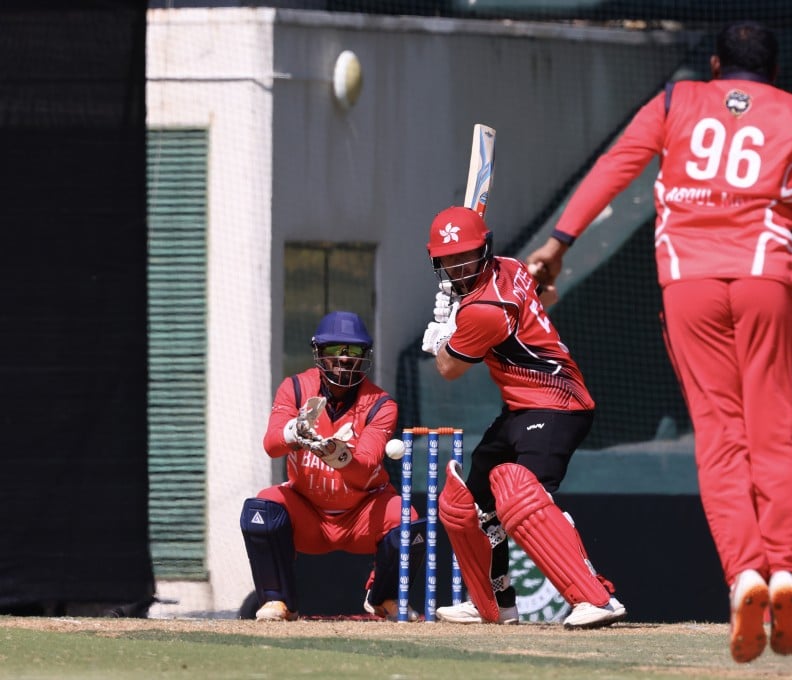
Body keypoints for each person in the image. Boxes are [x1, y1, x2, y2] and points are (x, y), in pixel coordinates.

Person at [526, 20, 792, 661]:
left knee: (719, 435)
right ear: (772, 72)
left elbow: (615, 168)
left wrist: (558, 244)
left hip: (688, 282)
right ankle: (786, 575)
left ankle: (745, 574)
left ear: (715, 64)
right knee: (773, 432)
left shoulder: (676, 101)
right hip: (766, 280)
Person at [420, 205, 626, 630]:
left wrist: (444, 334)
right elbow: (543, 294)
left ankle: (596, 596)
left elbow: (449, 369)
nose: (458, 267)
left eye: (466, 256)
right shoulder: (511, 266)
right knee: (466, 505)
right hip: (521, 406)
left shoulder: (484, 310)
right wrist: (462, 308)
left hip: (557, 404)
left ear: (484, 249)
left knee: (520, 495)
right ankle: (492, 604)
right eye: (450, 259)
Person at [240, 311, 426, 622]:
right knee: (261, 507)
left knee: (407, 518)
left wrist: (334, 454)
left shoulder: (381, 404)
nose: (343, 360)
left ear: (363, 356)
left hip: (362, 513)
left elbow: (365, 469)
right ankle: (278, 601)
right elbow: (271, 445)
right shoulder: (296, 389)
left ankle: (384, 598)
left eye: (352, 352)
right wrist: (294, 433)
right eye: (333, 351)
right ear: (318, 353)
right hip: (308, 510)